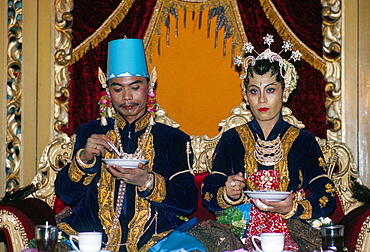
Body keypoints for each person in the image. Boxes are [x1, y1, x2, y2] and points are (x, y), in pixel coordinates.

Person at [55, 38, 198, 252]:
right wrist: (84, 159)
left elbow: (187, 201)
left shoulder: (172, 139)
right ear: (107, 91)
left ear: (149, 87)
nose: (127, 97)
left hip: (156, 242)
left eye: (135, 87)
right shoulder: (89, 133)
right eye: (118, 89)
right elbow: (67, 195)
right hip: (92, 239)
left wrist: (147, 182)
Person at [201, 35, 337, 252]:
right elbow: (209, 191)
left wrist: (293, 208)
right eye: (254, 91)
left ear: (286, 92)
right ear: (245, 96)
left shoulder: (304, 141)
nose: (262, 99)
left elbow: (327, 195)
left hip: (293, 227)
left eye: (270, 90)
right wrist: (228, 193)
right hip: (240, 230)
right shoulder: (231, 139)